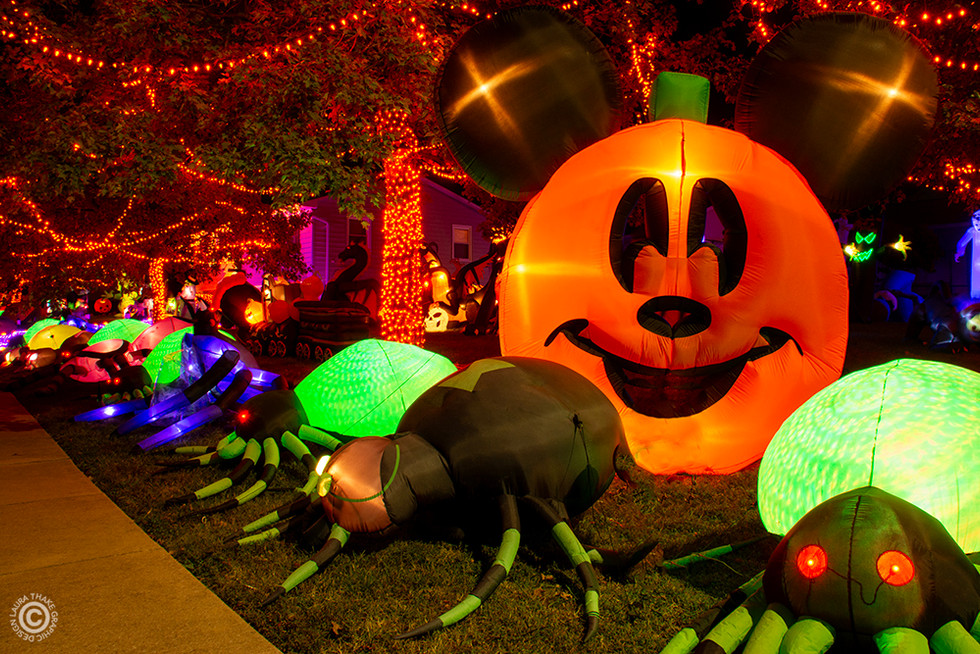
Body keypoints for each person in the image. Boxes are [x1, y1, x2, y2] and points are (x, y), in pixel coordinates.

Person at [954, 209, 980, 299]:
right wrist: (959, 252)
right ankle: (976, 296)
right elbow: (962, 242)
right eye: (976, 224)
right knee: (977, 281)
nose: (978, 226)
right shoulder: (972, 231)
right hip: (976, 265)